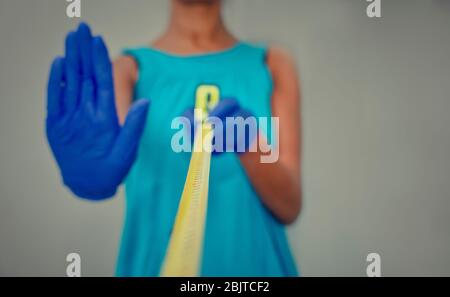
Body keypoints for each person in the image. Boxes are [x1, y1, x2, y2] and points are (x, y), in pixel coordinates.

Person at [46, 0, 302, 276]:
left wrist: (251, 145)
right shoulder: (129, 70)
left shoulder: (271, 65)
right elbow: (105, 152)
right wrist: (91, 174)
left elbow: (289, 206)